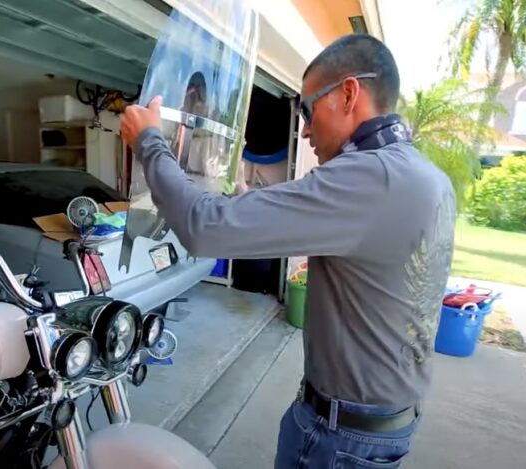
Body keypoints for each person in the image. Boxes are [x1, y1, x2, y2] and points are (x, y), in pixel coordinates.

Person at [121, 34, 456, 468]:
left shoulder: (368, 178)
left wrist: (150, 142)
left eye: (307, 108)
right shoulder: (424, 177)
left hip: (340, 439)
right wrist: (243, 198)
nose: (305, 128)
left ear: (349, 93)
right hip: (385, 422)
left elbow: (205, 229)